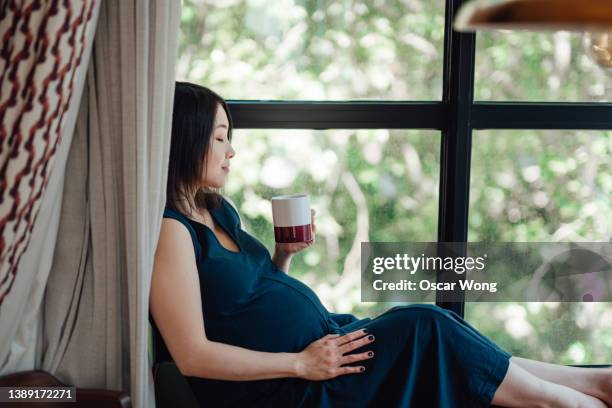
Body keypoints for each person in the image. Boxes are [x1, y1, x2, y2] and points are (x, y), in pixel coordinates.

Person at [149, 81, 611, 408]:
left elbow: (247, 301)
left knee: (436, 325)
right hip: (293, 389)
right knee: (425, 326)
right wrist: (299, 364)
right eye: (221, 137)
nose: (231, 151)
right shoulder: (172, 231)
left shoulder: (216, 210)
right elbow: (192, 354)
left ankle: (588, 383)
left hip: (325, 347)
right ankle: (568, 401)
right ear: (187, 140)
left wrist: (283, 257)